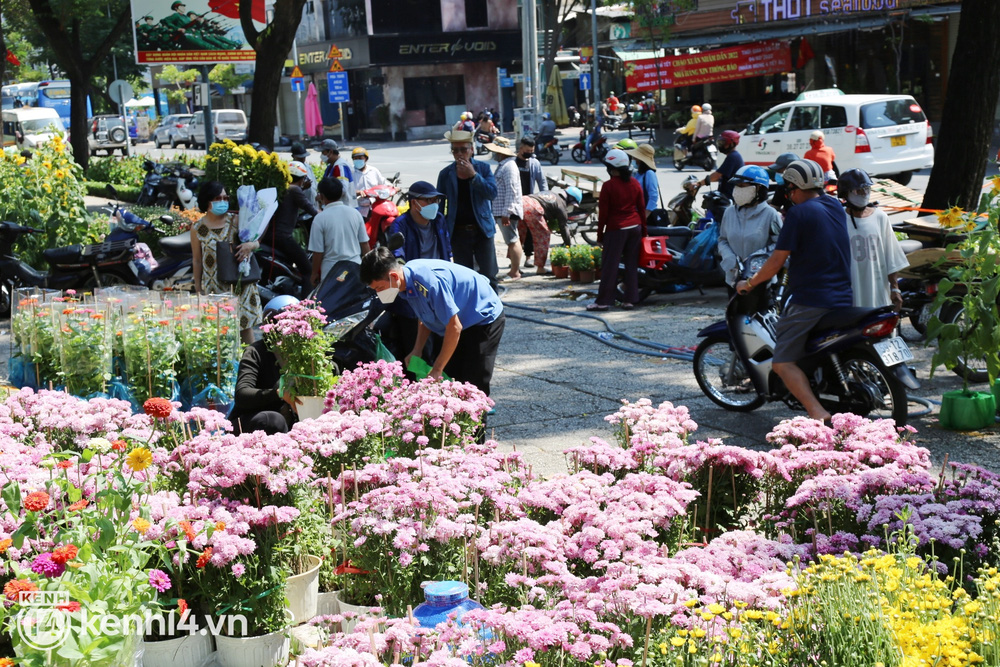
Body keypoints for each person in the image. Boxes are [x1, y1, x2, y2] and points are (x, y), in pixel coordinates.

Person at [736, 159, 853, 422]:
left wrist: (750, 283)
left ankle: (817, 413)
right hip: (844, 295)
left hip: (811, 299)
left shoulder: (798, 213)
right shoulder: (835, 206)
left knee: (782, 362)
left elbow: (776, 262)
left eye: (788, 189)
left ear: (794, 188)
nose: (787, 194)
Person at [360, 247, 505, 396]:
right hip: (459, 320)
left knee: (474, 384)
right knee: (451, 380)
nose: (379, 293)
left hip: (483, 317)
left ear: (394, 277)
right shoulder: (405, 283)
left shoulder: (428, 284)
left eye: (380, 288)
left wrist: (437, 368)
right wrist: (417, 349)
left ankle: (480, 418)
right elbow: (425, 316)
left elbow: (454, 328)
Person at [190, 180, 262, 345]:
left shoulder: (236, 221)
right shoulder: (197, 228)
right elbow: (197, 259)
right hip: (213, 287)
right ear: (206, 201)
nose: (223, 202)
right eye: (217, 198)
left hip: (238, 286)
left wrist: (250, 245)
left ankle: (249, 368)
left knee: (245, 332)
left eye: (225, 198)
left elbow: (257, 242)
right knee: (218, 334)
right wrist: (198, 287)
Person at [436, 129, 499, 289]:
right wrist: (440, 232)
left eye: (463, 149)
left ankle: (494, 311)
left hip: (482, 230)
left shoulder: (483, 169)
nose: (459, 154)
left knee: (489, 274)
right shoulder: (446, 174)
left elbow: (492, 193)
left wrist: (473, 176)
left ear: (471, 149)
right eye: (455, 150)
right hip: (458, 232)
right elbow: (440, 206)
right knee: (463, 276)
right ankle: (469, 311)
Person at [838, 168, 908, 310]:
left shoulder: (880, 217)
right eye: (858, 191)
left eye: (866, 190)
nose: (864, 194)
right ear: (846, 194)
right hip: (850, 291)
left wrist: (895, 289)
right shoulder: (839, 220)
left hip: (877, 289)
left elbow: (891, 257)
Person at [230, 295, 300, 435]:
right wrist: (278, 393)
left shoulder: (306, 354)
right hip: (253, 420)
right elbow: (242, 395)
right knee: (274, 420)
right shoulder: (256, 352)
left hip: (293, 421)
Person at [589, 149, 645, 312]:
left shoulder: (608, 186)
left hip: (617, 229)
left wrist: (600, 236)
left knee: (610, 266)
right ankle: (630, 300)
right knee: (631, 264)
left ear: (611, 168)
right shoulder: (635, 183)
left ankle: (603, 302)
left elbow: (603, 215)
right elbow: (641, 209)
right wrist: (644, 232)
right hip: (635, 227)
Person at [718, 166, 783, 290]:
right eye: (737, 186)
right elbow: (723, 240)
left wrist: (756, 260)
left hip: (761, 279)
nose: (738, 190)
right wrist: (729, 258)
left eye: (743, 186)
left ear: (759, 188)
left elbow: (780, 245)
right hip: (733, 279)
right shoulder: (729, 212)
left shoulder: (770, 214)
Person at [264, 160, 318, 294]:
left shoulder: (283, 188)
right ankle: (306, 304)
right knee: (307, 270)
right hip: (283, 237)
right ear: (302, 179)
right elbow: (311, 209)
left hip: (270, 236)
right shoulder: (295, 190)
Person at [308, 177, 369, 286]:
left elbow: (318, 252)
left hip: (331, 271)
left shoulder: (320, 219)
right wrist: (370, 267)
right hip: (355, 267)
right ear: (341, 194)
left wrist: (314, 274)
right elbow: (364, 244)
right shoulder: (355, 214)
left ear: (321, 196)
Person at [487, 137, 524, 281]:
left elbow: (511, 190)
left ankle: (515, 272)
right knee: (512, 240)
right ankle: (513, 270)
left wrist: (506, 212)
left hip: (507, 211)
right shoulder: (505, 165)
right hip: (503, 210)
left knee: (512, 240)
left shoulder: (509, 166)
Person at [389, 181, 452, 261]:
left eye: (436, 200)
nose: (434, 205)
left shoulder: (439, 219)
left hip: (439, 270)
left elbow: (448, 251)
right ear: (414, 202)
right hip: (414, 272)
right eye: (429, 200)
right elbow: (397, 255)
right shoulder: (400, 224)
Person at [702, 130, 745, 200]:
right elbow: (721, 177)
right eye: (720, 143)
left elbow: (717, 175)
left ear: (732, 144)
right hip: (726, 195)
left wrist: (699, 183)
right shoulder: (733, 155)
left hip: (729, 197)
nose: (721, 145)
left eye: (723, 143)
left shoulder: (733, 157)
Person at [319, 139, 357, 208]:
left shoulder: (339, 166)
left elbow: (342, 190)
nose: (321, 155)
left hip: (344, 207)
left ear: (330, 152)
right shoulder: (331, 166)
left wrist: (325, 195)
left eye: (323, 152)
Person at [352, 146, 387, 218]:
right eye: (356, 158)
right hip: (357, 207)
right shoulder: (350, 172)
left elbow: (383, 183)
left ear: (366, 159)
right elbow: (345, 188)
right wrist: (357, 192)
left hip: (374, 205)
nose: (358, 160)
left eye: (360, 158)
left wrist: (393, 187)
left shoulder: (373, 171)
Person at [626, 143, 660, 213]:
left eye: (636, 157)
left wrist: (645, 215)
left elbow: (653, 197)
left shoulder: (649, 173)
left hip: (645, 215)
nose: (634, 159)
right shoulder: (639, 174)